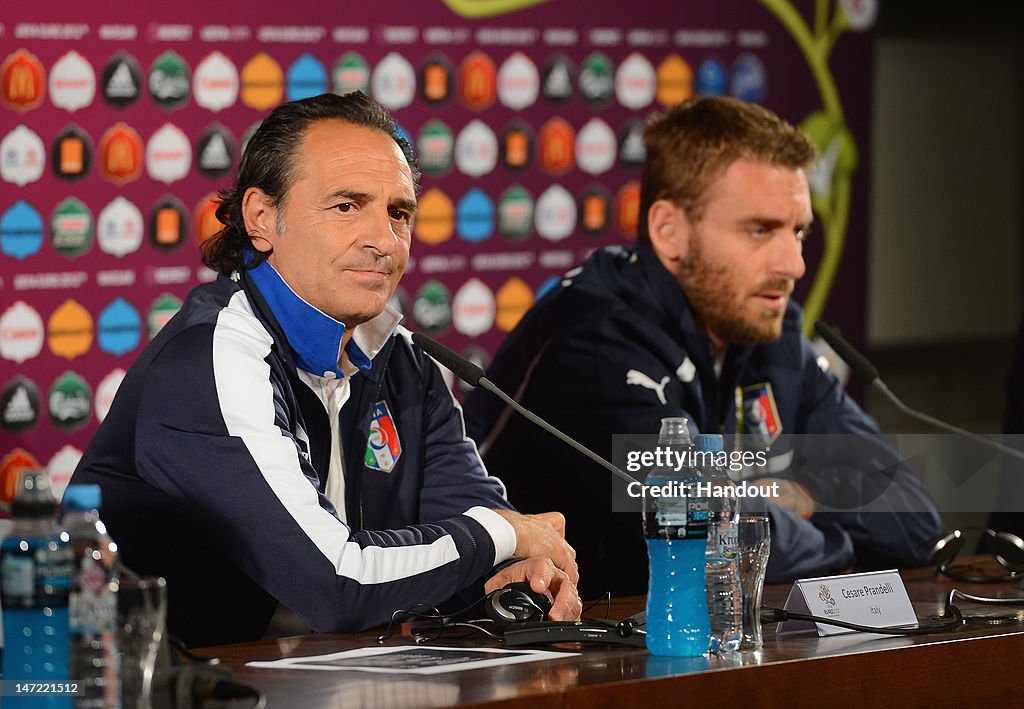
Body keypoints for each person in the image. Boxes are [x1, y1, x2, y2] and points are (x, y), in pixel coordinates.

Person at [71, 92, 579, 647]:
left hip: (320, 677)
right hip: (151, 689)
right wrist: (506, 534)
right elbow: (339, 586)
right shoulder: (212, 358)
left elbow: (468, 523)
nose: (383, 240)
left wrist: (518, 570)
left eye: (398, 213)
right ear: (263, 219)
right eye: (346, 206)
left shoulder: (403, 360)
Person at [465, 96, 944, 599]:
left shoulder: (768, 332)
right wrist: (834, 542)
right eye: (760, 230)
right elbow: (704, 538)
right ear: (669, 231)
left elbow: (913, 517)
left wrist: (799, 498)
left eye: (798, 230)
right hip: (543, 650)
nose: (794, 264)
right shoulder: (595, 339)